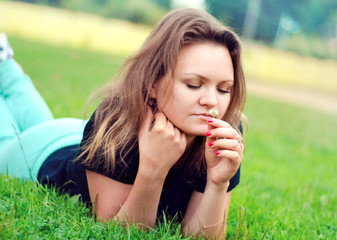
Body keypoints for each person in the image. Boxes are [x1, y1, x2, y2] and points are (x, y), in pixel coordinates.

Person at [0, 8, 246, 239]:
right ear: (152, 83)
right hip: (40, 152)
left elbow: (200, 236)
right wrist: (153, 169)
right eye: (193, 84)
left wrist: (218, 183)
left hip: (75, 134)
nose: (212, 101)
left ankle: (4, 62)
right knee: (7, 140)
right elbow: (118, 231)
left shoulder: (225, 135)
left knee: (34, 118)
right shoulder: (117, 121)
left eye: (224, 89)